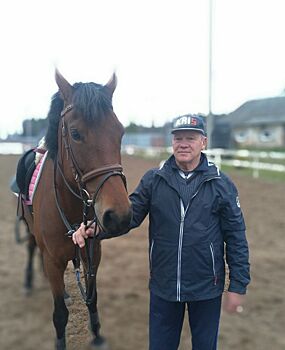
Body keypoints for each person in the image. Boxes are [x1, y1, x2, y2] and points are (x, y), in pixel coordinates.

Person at [72, 114, 251, 350]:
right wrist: (96, 229)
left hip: (207, 287)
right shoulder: (154, 179)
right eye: (178, 138)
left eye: (191, 138)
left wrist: (238, 286)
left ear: (203, 143)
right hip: (163, 286)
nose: (183, 143)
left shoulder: (221, 184)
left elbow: (236, 237)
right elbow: (130, 217)